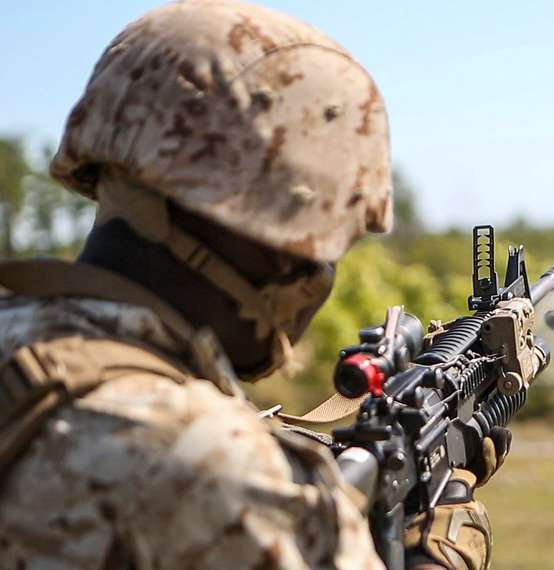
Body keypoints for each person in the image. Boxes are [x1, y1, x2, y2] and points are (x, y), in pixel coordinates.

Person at [0, 1, 508, 568]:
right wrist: (444, 551)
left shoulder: (27, 355)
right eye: (326, 242)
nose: (321, 277)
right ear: (272, 234)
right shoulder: (204, 459)